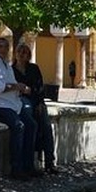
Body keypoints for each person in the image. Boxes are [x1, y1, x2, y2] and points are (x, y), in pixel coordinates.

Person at [0, 37, 39, 180]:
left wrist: (20, 88)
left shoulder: (6, 64)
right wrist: (15, 87)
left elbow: (11, 84)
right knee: (18, 126)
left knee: (32, 124)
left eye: (6, 47)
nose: (4, 49)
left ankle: (28, 165)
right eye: (0, 46)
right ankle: (16, 168)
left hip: (11, 103)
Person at [12, 43, 57, 174]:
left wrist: (37, 100)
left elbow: (40, 88)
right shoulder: (11, 70)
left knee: (46, 126)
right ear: (15, 54)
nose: (22, 54)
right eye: (19, 51)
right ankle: (29, 164)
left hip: (36, 100)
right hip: (21, 101)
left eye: (25, 52)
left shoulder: (34, 68)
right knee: (31, 125)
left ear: (29, 55)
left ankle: (50, 162)